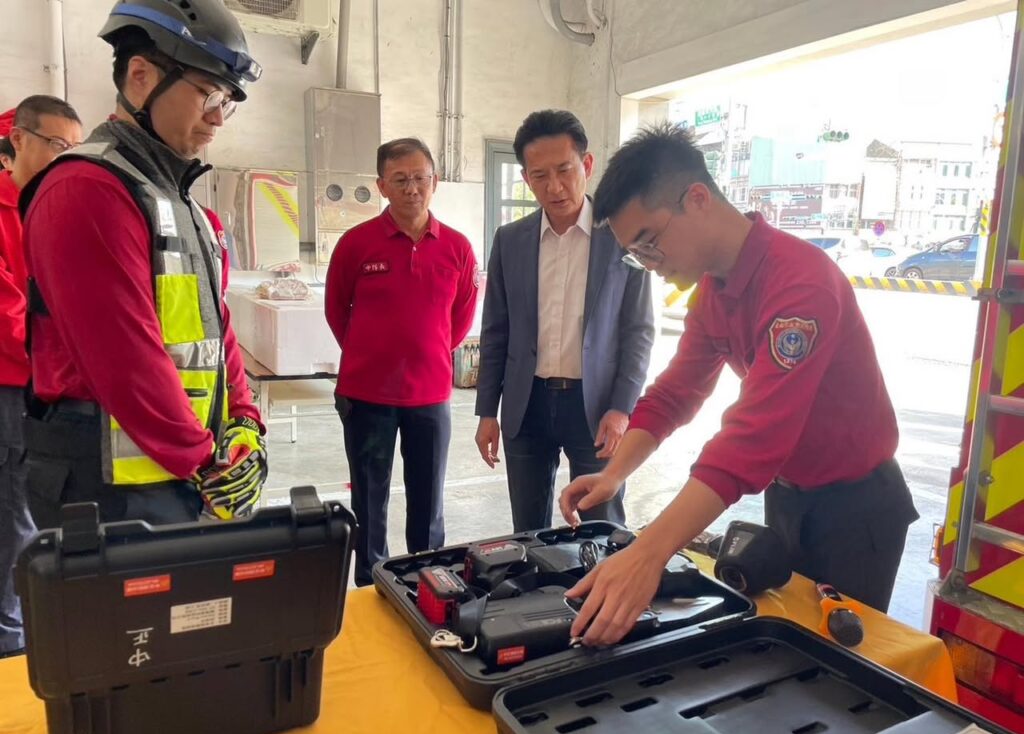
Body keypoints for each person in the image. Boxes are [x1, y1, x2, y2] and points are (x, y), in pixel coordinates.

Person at [561, 124, 919, 646]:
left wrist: (649, 553)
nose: (651, 266)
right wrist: (614, 474)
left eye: (650, 243)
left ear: (697, 199)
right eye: (637, 254)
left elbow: (755, 436)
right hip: (787, 496)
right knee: (787, 636)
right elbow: (675, 393)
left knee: (839, 657)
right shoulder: (714, 291)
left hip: (856, 508)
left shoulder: (799, 283)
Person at [19, 0, 267, 530]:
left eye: (227, 102)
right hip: (106, 493)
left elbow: (216, 327)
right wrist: (206, 462)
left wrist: (244, 422)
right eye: (209, 94)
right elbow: (125, 359)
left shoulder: (180, 202)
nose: (218, 117)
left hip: (176, 477)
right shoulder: (85, 190)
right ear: (141, 75)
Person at [475, 110, 654, 531]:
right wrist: (487, 411)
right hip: (526, 404)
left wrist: (622, 408)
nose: (554, 187)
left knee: (601, 526)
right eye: (540, 175)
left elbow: (639, 332)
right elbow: (496, 330)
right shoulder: (510, 240)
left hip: (596, 407)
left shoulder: (622, 237)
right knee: (528, 530)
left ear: (587, 165)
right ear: (526, 178)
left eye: (564, 170)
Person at [325, 137, 478, 586]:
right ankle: (372, 586)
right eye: (400, 180)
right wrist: (373, 354)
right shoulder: (356, 244)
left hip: (430, 396)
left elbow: (461, 319)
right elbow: (336, 311)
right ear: (382, 186)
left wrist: (425, 353)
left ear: (435, 181)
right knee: (369, 503)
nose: (412, 188)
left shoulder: (457, 248)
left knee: (428, 504)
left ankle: (426, 584)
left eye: (420, 178)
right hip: (366, 395)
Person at [0, 95, 82, 659]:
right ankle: (13, 646)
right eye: (55, 145)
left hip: (57, 388)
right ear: (19, 139)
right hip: (14, 387)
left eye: (74, 149)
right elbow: (11, 314)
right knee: (15, 515)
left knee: (50, 509)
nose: (64, 158)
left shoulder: (56, 211)